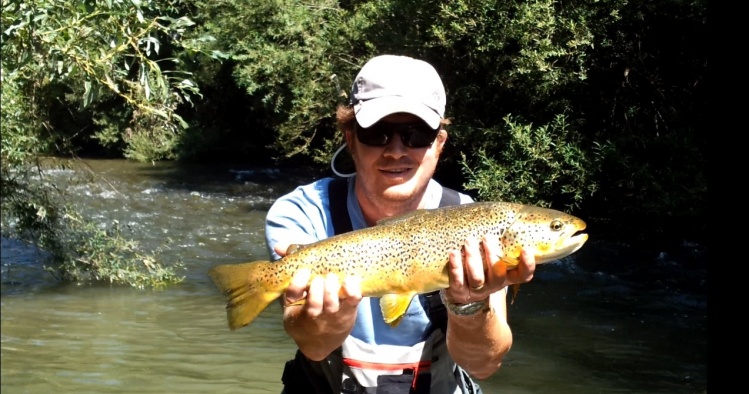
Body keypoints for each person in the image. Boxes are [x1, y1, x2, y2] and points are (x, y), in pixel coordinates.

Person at [265, 54, 536, 394]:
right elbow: (314, 346)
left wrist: (470, 304)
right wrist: (329, 319)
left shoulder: (477, 222)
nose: (395, 151)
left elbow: (482, 365)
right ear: (350, 139)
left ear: (439, 142)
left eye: (416, 134)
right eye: (376, 133)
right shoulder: (301, 213)